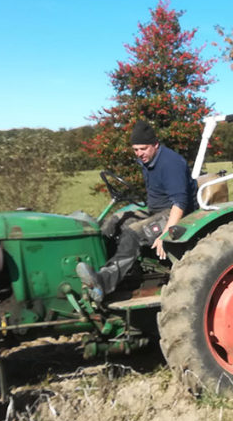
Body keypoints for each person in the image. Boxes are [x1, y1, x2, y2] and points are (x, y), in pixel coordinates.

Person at [77, 119, 198, 303]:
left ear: (155, 145)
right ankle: (100, 269)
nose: (139, 153)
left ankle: (104, 282)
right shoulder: (148, 159)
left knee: (133, 233)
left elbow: (180, 202)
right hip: (155, 209)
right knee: (113, 221)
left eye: (143, 148)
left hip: (176, 212)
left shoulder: (171, 163)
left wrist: (166, 234)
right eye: (136, 150)